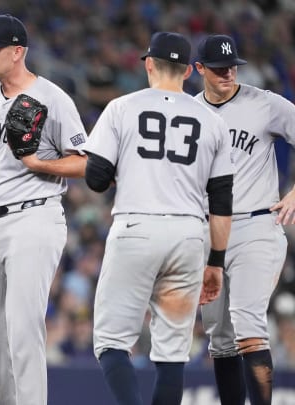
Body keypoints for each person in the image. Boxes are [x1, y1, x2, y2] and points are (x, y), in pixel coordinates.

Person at [83, 32, 234, 405]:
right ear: (187, 71)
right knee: (172, 354)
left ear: (149, 64)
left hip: (136, 228)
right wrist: (215, 262)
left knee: (112, 343)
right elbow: (221, 202)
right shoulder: (212, 121)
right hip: (188, 234)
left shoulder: (121, 107)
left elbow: (96, 179)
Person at [0, 14, 88, 405]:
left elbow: (84, 162)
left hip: (35, 215)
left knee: (24, 331)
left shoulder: (52, 97)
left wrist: (38, 164)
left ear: (18, 51)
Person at [194, 34, 295, 405]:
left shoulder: (265, 104)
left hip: (256, 224)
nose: (228, 73)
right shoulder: (189, 112)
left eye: (232, 66)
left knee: (248, 323)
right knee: (220, 339)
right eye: (219, 68)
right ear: (199, 69)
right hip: (208, 230)